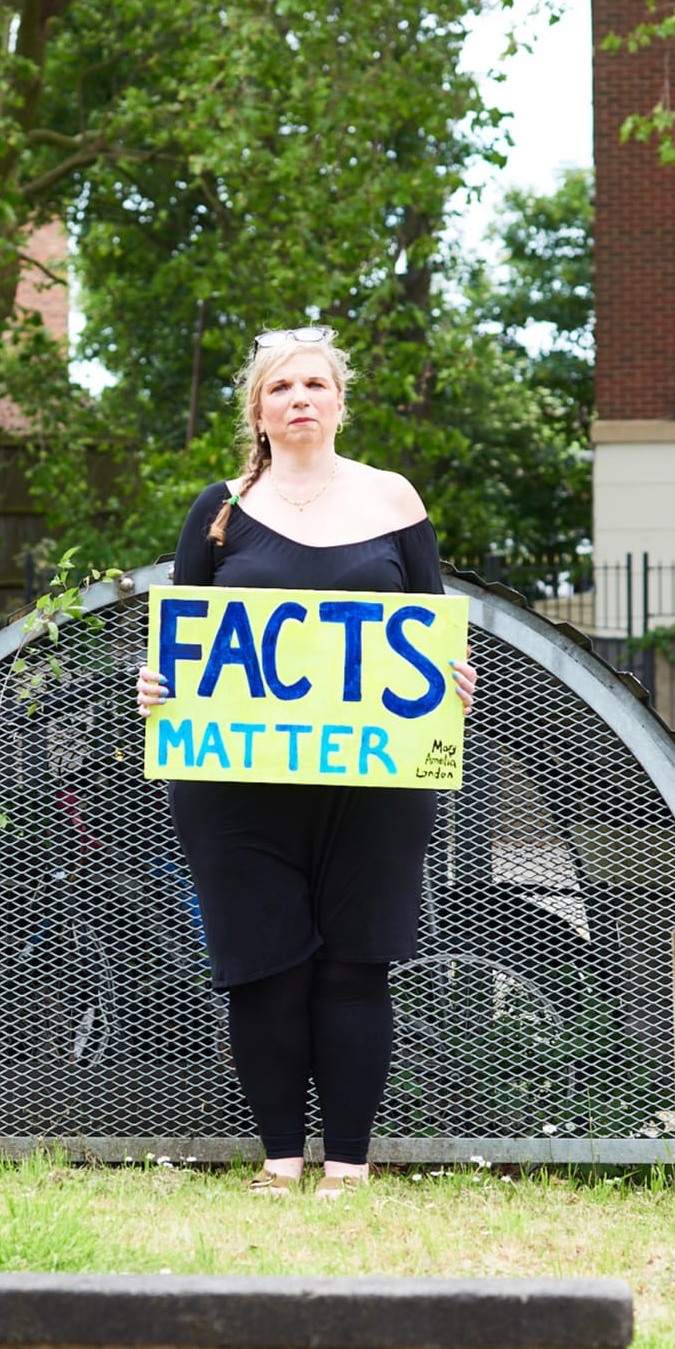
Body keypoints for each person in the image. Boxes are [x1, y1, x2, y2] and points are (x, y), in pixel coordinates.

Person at [136, 326, 476, 1200]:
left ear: (338, 401)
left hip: (373, 785)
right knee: (264, 968)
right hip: (236, 787)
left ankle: (349, 1167)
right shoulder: (218, 510)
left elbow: (431, 628)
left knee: (356, 967)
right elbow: (183, 641)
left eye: (315, 384)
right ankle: (281, 1160)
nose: (300, 398)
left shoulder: (394, 501)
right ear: (258, 408)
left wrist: (453, 681)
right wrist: (156, 685)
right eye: (282, 386)